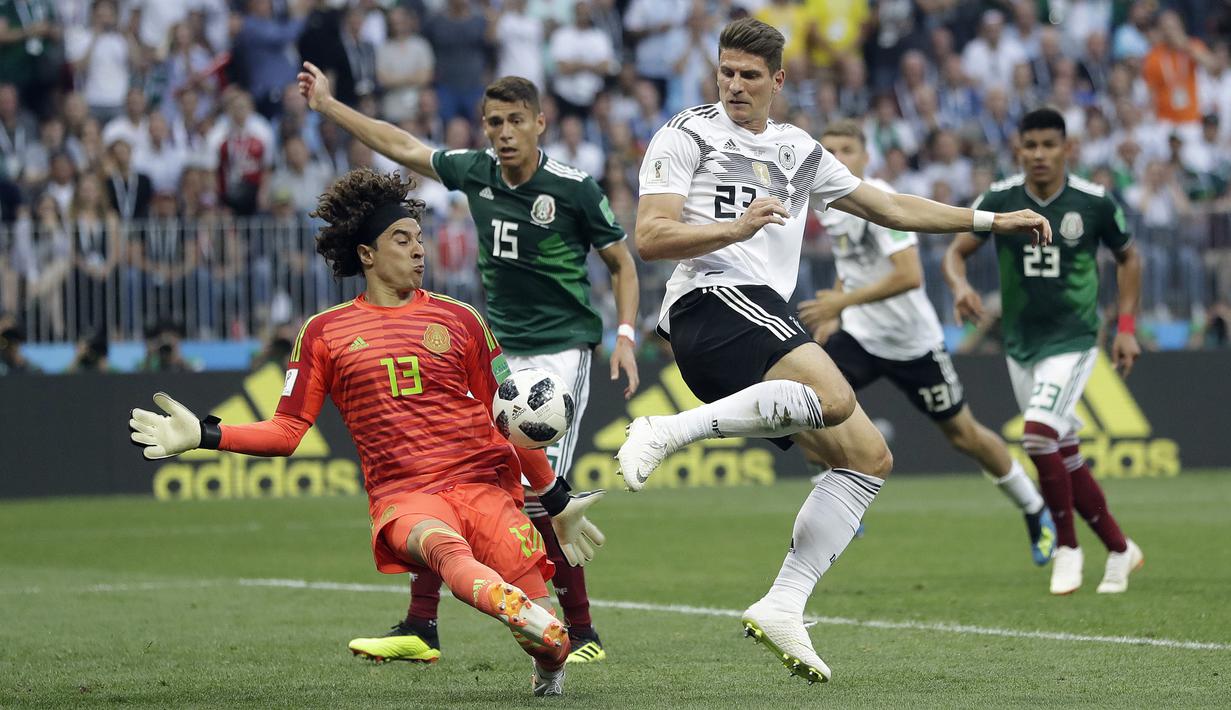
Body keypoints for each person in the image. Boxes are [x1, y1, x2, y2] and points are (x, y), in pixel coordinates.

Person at [619, 18, 1050, 684]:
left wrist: (989, 220)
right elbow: (648, 236)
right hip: (709, 301)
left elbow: (891, 206)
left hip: (755, 316)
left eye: (749, 76)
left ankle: (783, 603)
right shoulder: (686, 132)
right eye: (726, 72)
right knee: (834, 395)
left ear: (777, 82)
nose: (734, 85)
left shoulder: (796, 148)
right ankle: (663, 430)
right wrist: (734, 227)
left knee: (866, 459)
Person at [127, 169, 606, 697]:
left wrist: (554, 498)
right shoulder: (324, 333)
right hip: (404, 496)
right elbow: (288, 430)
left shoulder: (462, 320)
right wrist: (206, 434)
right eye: (402, 240)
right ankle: (517, 614)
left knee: (546, 640)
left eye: (420, 240)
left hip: (482, 484)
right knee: (442, 550)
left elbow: (512, 418)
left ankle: (549, 658)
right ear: (367, 254)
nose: (418, 251)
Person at [297, 66, 640, 665]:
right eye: (493, 123)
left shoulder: (573, 187)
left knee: (541, 492)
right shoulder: (476, 173)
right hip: (494, 350)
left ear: (540, 122)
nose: (504, 133)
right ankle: (422, 627)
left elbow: (621, 263)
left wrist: (628, 334)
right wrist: (329, 106)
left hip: (558, 351)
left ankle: (581, 631)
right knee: (449, 471)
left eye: (515, 121)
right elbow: (402, 145)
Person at [796, 120, 1055, 566]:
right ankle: (836, 494)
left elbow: (909, 275)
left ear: (866, 157)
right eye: (830, 150)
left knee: (964, 435)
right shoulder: (828, 203)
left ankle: (1034, 508)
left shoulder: (873, 197)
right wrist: (840, 308)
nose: (837, 158)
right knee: (802, 403)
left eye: (847, 150)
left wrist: (842, 299)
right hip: (861, 335)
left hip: (913, 343)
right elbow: (850, 262)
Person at [943, 108, 1145, 596]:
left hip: (1074, 339)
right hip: (1020, 344)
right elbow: (955, 251)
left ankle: (1068, 550)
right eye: (1030, 145)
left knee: (1036, 435)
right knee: (1062, 448)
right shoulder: (1001, 198)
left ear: (1067, 148)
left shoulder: (1093, 203)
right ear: (1018, 149)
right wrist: (959, 286)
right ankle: (1120, 549)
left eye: (1049, 145)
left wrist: (1125, 327)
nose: (1039, 154)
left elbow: (1129, 257)